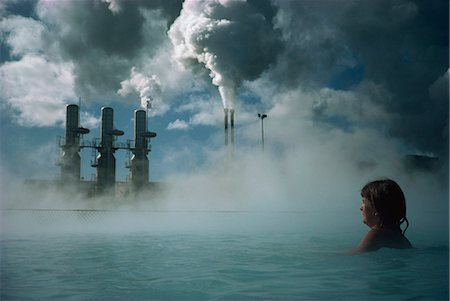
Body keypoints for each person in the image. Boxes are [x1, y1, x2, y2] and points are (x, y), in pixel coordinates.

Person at [349, 179, 412, 254]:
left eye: (363, 202)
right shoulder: (402, 239)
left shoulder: (376, 235)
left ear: (376, 210)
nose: (361, 208)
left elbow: (354, 255)